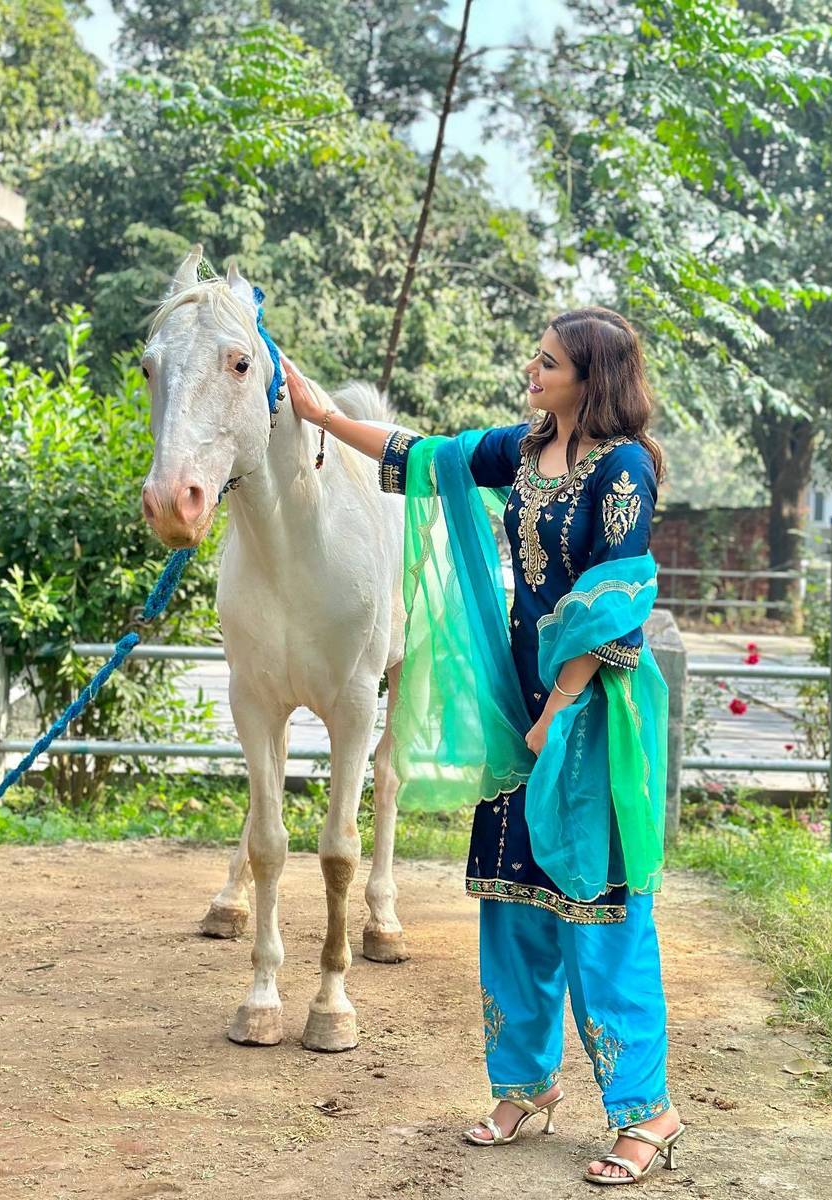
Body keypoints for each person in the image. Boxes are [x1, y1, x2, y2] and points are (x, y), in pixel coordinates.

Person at [284, 306, 684, 1186]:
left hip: (589, 717)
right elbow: (423, 457)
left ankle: (645, 1111)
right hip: (522, 705)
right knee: (514, 900)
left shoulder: (622, 471)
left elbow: (620, 596)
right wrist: (318, 416)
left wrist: (556, 712)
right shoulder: (527, 449)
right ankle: (526, 1086)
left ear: (593, 376)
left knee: (601, 914)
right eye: (536, 359)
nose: (532, 370)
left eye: (547, 362)